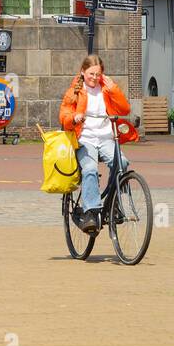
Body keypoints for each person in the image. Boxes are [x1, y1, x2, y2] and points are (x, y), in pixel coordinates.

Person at [59, 54, 131, 234]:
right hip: (85, 139)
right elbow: (64, 116)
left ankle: (115, 203)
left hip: (106, 137)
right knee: (90, 169)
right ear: (83, 72)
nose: (94, 78)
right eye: (91, 74)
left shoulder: (106, 89)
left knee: (122, 162)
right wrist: (74, 118)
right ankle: (90, 212)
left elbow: (125, 109)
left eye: (98, 74)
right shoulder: (75, 91)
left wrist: (113, 87)